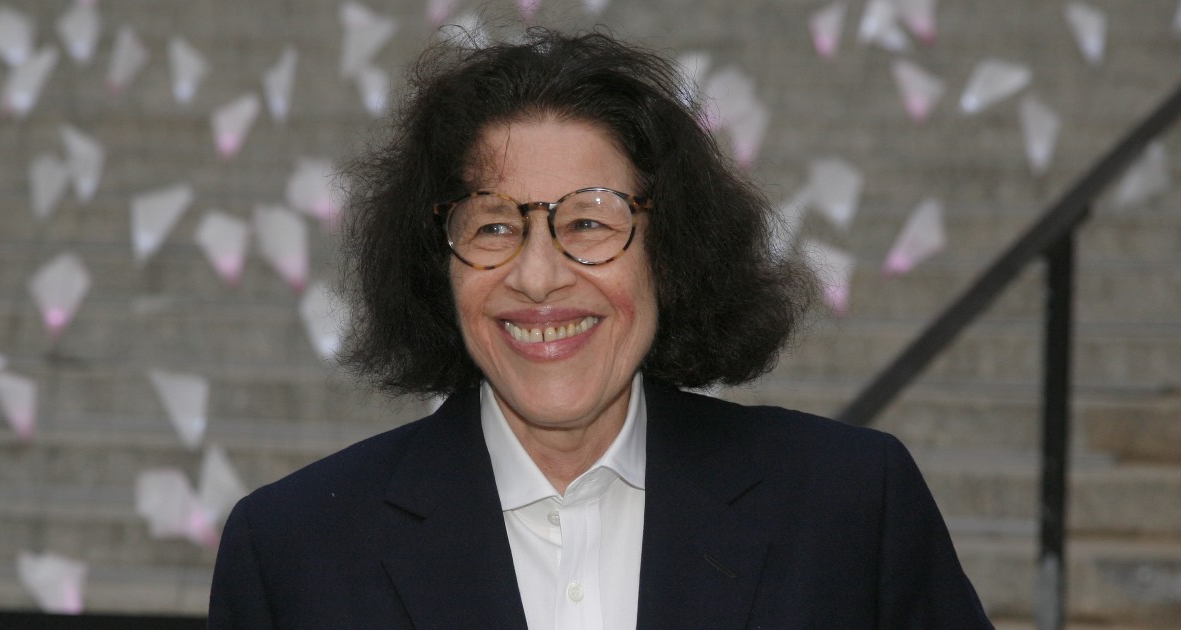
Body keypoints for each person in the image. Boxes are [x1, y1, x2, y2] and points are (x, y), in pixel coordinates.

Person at [208, 28, 993, 629]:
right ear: (438, 266)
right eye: (492, 227)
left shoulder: (851, 507)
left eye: (589, 221)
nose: (538, 276)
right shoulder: (292, 552)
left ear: (669, 253)